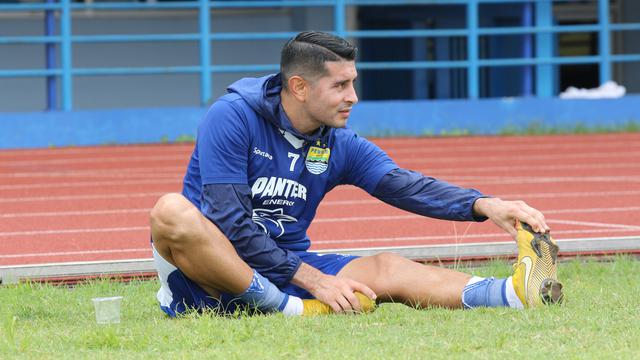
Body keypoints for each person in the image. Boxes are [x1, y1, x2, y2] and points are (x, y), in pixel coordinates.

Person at [149, 31, 563, 317]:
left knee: (387, 267)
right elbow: (228, 221)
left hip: (284, 267)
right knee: (171, 211)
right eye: (341, 86)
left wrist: (483, 204)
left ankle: (512, 294)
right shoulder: (232, 117)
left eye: (353, 83)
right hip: (210, 278)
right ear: (299, 87)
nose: (353, 97)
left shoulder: (338, 142)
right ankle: (290, 311)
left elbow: (403, 185)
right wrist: (314, 282)